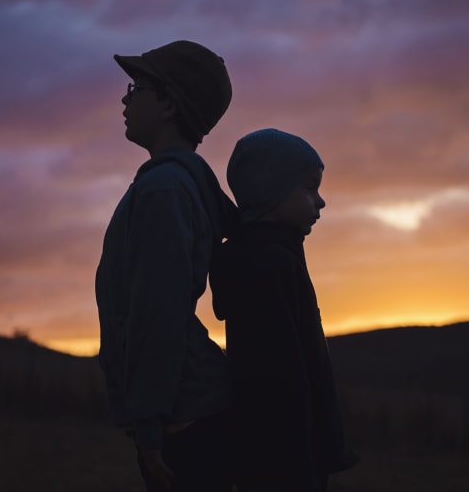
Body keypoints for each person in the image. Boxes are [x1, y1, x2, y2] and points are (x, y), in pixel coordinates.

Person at [94, 40, 238, 492]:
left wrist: (150, 426)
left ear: (169, 104)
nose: (125, 97)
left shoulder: (164, 192)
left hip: (183, 420)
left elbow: (158, 313)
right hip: (187, 412)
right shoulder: (176, 184)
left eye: (137, 87)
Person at [211, 128, 358, 492]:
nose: (320, 201)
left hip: (286, 457)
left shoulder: (278, 255)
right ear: (270, 191)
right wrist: (298, 467)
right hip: (282, 463)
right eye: (309, 188)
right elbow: (278, 380)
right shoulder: (268, 264)